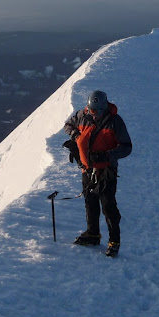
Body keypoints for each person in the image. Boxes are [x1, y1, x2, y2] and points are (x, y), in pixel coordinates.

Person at [63, 90, 132, 257]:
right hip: (87, 168)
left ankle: (114, 241)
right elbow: (68, 125)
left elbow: (127, 147)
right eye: (91, 111)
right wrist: (75, 135)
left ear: (104, 108)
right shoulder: (81, 115)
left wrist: (109, 155)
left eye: (96, 112)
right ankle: (92, 234)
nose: (93, 115)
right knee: (90, 202)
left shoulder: (115, 122)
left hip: (106, 171)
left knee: (108, 206)